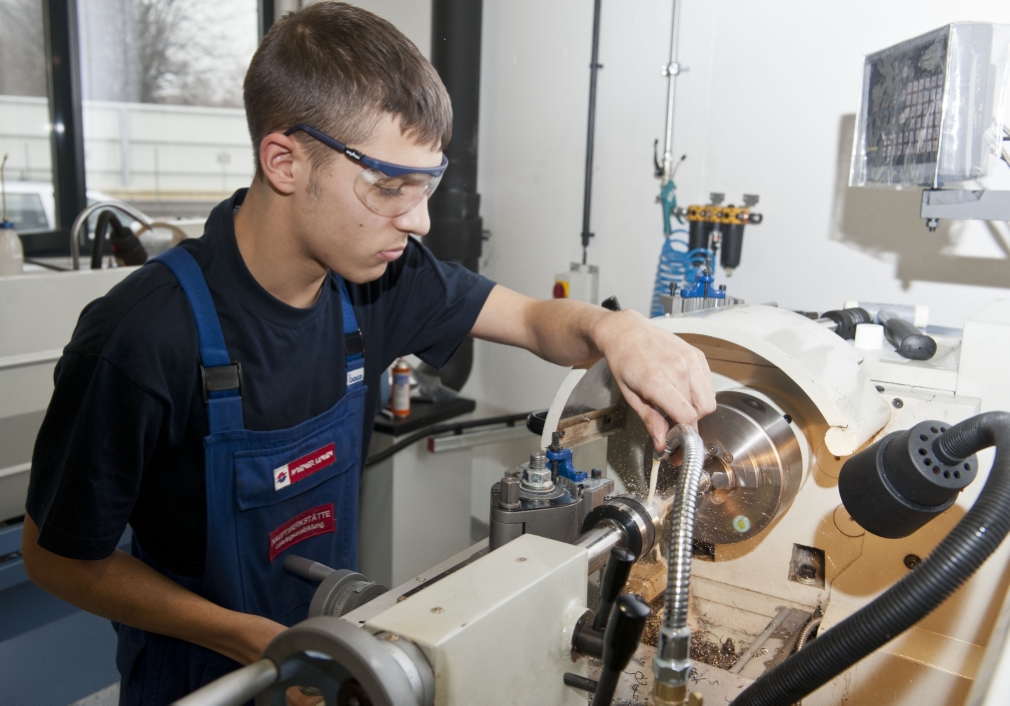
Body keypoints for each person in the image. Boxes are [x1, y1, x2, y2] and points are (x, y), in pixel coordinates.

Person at [21, 3, 715, 704]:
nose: (417, 221)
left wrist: (617, 330)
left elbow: (536, 322)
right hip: (203, 677)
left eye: (426, 186)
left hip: (331, 659)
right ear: (285, 161)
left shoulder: (383, 282)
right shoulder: (140, 336)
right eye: (389, 187)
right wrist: (249, 639)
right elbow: (58, 560)